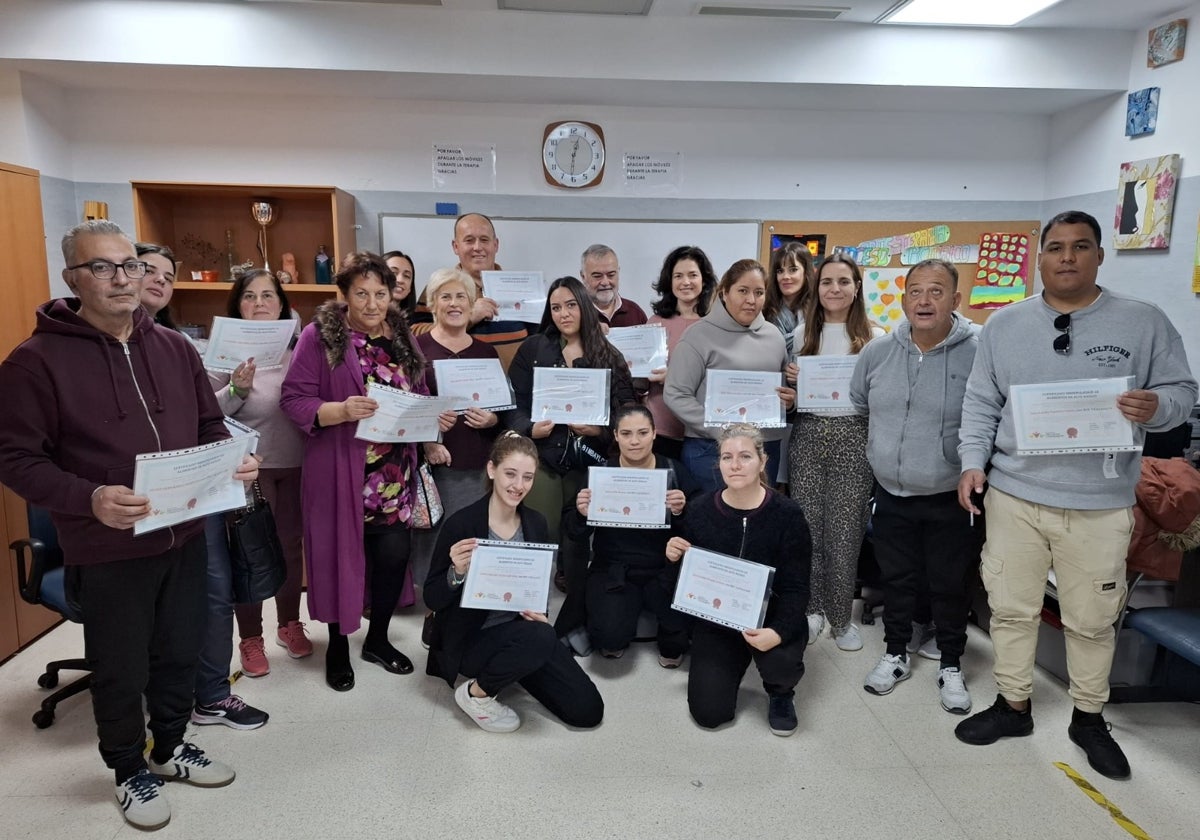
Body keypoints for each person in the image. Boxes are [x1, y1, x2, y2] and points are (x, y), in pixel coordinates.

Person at [0, 220, 259, 831]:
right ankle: (127, 769)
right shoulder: (35, 362)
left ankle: (168, 748)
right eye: (102, 268)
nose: (122, 278)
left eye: (130, 265)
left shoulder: (172, 349)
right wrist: (87, 498)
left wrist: (231, 460)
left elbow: (207, 426)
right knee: (121, 666)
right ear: (72, 279)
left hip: (186, 530)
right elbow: (14, 458)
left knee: (179, 650)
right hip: (107, 544)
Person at [953, 210, 1197, 780]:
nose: (1067, 257)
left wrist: (1157, 406)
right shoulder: (1007, 326)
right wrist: (971, 464)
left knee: (1092, 617)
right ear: (1040, 257)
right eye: (1056, 247)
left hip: (1100, 500)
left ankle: (1089, 717)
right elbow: (982, 402)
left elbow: (1182, 391)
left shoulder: (1143, 322)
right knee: (1011, 609)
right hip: (1015, 495)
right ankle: (1013, 705)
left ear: (1099, 256)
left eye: (1080, 247)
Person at [280, 251, 454, 692]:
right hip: (341, 472)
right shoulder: (319, 337)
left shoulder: (401, 335)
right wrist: (336, 410)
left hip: (394, 473)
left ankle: (377, 640)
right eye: (362, 294)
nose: (373, 303)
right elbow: (293, 398)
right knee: (341, 558)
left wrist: (432, 429)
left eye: (381, 293)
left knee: (392, 557)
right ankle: (338, 645)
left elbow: (419, 393)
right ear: (344, 294)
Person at [135, 248, 271, 729]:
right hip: (134, 498)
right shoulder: (91, 349)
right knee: (150, 599)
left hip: (199, 487)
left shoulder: (178, 347)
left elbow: (208, 419)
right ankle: (157, 695)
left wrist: (240, 456)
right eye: (145, 269)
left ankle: (212, 694)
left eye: (167, 275)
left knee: (215, 588)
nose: (157, 280)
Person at [850, 259, 981, 713]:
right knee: (898, 579)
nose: (924, 301)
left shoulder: (980, 350)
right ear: (903, 300)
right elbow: (860, 402)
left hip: (952, 493)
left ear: (956, 300)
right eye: (916, 292)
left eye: (937, 291)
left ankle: (950, 663)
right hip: (891, 491)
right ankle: (895, 653)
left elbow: (994, 415)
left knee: (949, 583)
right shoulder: (878, 351)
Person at [423, 432, 604, 732]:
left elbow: (534, 586)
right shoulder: (463, 524)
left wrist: (540, 614)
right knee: (543, 637)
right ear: (492, 470)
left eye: (528, 477)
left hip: (523, 632)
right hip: (473, 637)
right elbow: (432, 598)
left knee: (588, 710)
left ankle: (518, 660)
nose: (518, 486)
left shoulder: (535, 523)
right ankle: (475, 694)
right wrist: (456, 572)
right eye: (510, 474)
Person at [665, 424, 811, 735]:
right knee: (709, 714)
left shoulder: (788, 515)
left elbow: (798, 587)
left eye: (745, 456)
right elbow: (685, 585)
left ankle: (781, 692)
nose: (735, 465)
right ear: (717, 463)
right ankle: (731, 665)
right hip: (719, 619)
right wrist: (673, 558)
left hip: (770, 616)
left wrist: (778, 631)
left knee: (780, 661)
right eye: (727, 457)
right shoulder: (700, 510)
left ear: (762, 461)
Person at [206, 269, 310, 689]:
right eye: (250, 296)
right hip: (250, 468)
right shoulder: (222, 354)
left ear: (283, 305)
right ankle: (250, 638)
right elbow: (208, 417)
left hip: (298, 464)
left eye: (269, 295)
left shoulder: (298, 349)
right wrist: (236, 389)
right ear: (238, 306)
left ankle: (290, 624)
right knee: (248, 552)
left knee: (290, 545)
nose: (261, 302)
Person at [506, 275, 636, 603]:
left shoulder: (608, 354)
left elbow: (627, 413)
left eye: (570, 305)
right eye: (555, 308)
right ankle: (526, 590)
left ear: (585, 308)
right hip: (544, 453)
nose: (563, 314)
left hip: (589, 456)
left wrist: (599, 430)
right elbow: (512, 404)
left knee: (578, 530)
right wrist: (529, 427)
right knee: (543, 525)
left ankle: (574, 590)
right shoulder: (534, 348)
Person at [414, 267, 505, 643]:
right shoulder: (416, 350)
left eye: (461, 297)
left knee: (472, 538)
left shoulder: (486, 351)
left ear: (472, 305)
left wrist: (491, 418)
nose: (454, 304)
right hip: (433, 463)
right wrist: (428, 439)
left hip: (476, 461)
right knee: (433, 542)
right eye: (446, 297)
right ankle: (435, 609)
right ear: (433, 304)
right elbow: (404, 407)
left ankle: (470, 609)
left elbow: (503, 410)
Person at [569, 405, 694, 666]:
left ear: (655, 433)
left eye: (642, 432)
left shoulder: (674, 470)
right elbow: (574, 531)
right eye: (626, 434)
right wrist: (581, 513)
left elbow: (700, 527)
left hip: (664, 565)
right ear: (615, 435)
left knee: (679, 639)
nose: (634, 441)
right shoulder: (601, 475)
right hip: (613, 566)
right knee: (608, 638)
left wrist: (682, 511)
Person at [664, 258, 794, 494]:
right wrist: (718, 429)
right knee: (712, 524)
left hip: (765, 448)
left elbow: (782, 395)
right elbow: (675, 394)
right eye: (743, 291)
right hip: (709, 449)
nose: (751, 300)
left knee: (759, 522)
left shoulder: (775, 336)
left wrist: (789, 402)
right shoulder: (697, 336)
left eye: (759, 292)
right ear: (724, 293)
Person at [410, 213, 528, 370]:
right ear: (456, 246)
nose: (477, 247)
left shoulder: (521, 289)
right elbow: (414, 335)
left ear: (496, 245)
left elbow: (540, 341)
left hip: (515, 389)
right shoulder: (440, 287)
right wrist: (468, 317)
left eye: (484, 240)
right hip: (459, 384)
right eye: (469, 240)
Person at [645, 245, 718, 460]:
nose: (685, 282)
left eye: (692, 275)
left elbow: (721, 375)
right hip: (661, 427)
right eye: (678, 276)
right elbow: (640, 381)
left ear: (704, 280)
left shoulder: (716, 325)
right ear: (670, 281)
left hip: (701, 431)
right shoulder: (654, 323)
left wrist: (676, 378)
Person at [765, 240, 815, 356]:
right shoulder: (764, 310)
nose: (785, 277)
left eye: (793, 270)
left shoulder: (818, 312)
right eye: (780, 271)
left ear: (806, 272)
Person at [580, 243, 648, 328]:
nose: (605, 282)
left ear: (618, 273)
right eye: (597, 276)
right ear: (583, 277)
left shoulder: (635, 313)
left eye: (611, 275)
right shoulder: (575, 315)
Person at [384, 250, 418, 316]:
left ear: (410, 288)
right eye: (393, 273)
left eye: (406, 276)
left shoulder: (415, 323)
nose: (400, 280)